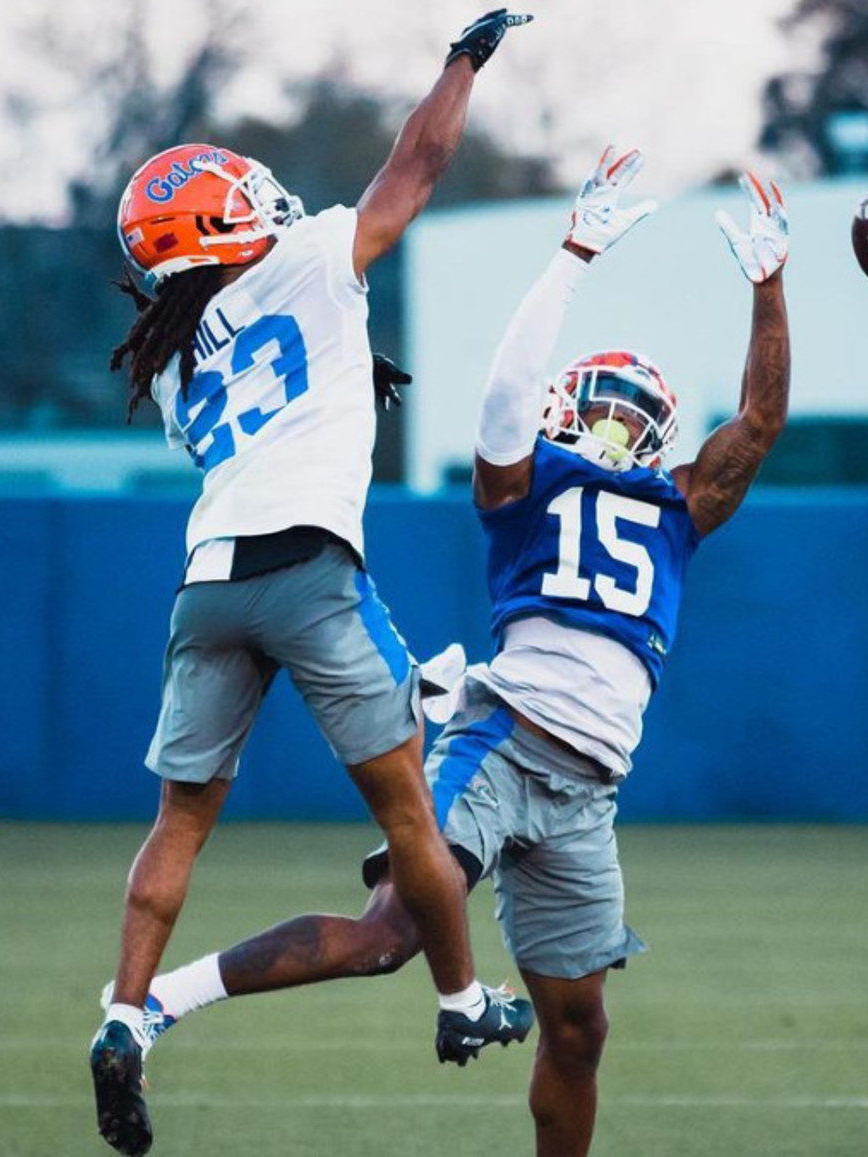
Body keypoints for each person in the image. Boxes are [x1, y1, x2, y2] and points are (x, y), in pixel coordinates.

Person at [118, 146, 791, 1156]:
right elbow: (505, 403)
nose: (610, 425)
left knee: (579, 1026)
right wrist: (572, 254)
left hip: (590, 785)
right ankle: (161, 1000)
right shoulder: (529, 489)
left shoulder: (684, 505)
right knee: (390, 933)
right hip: (502, 740)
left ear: (661, 438)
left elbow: (763, 419)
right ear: (566, 411)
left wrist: (770, 289)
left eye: (631, 413)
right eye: (596, 404)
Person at [89, 11, 536, 1157]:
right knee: (408, 812)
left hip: (207, 582)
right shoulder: (306, 257)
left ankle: (125, 1015)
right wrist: (465, 60)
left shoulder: (180, 365)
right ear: (220, 220)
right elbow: (420, 163)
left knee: (178, 823)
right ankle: (462, 998)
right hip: (307, 567)